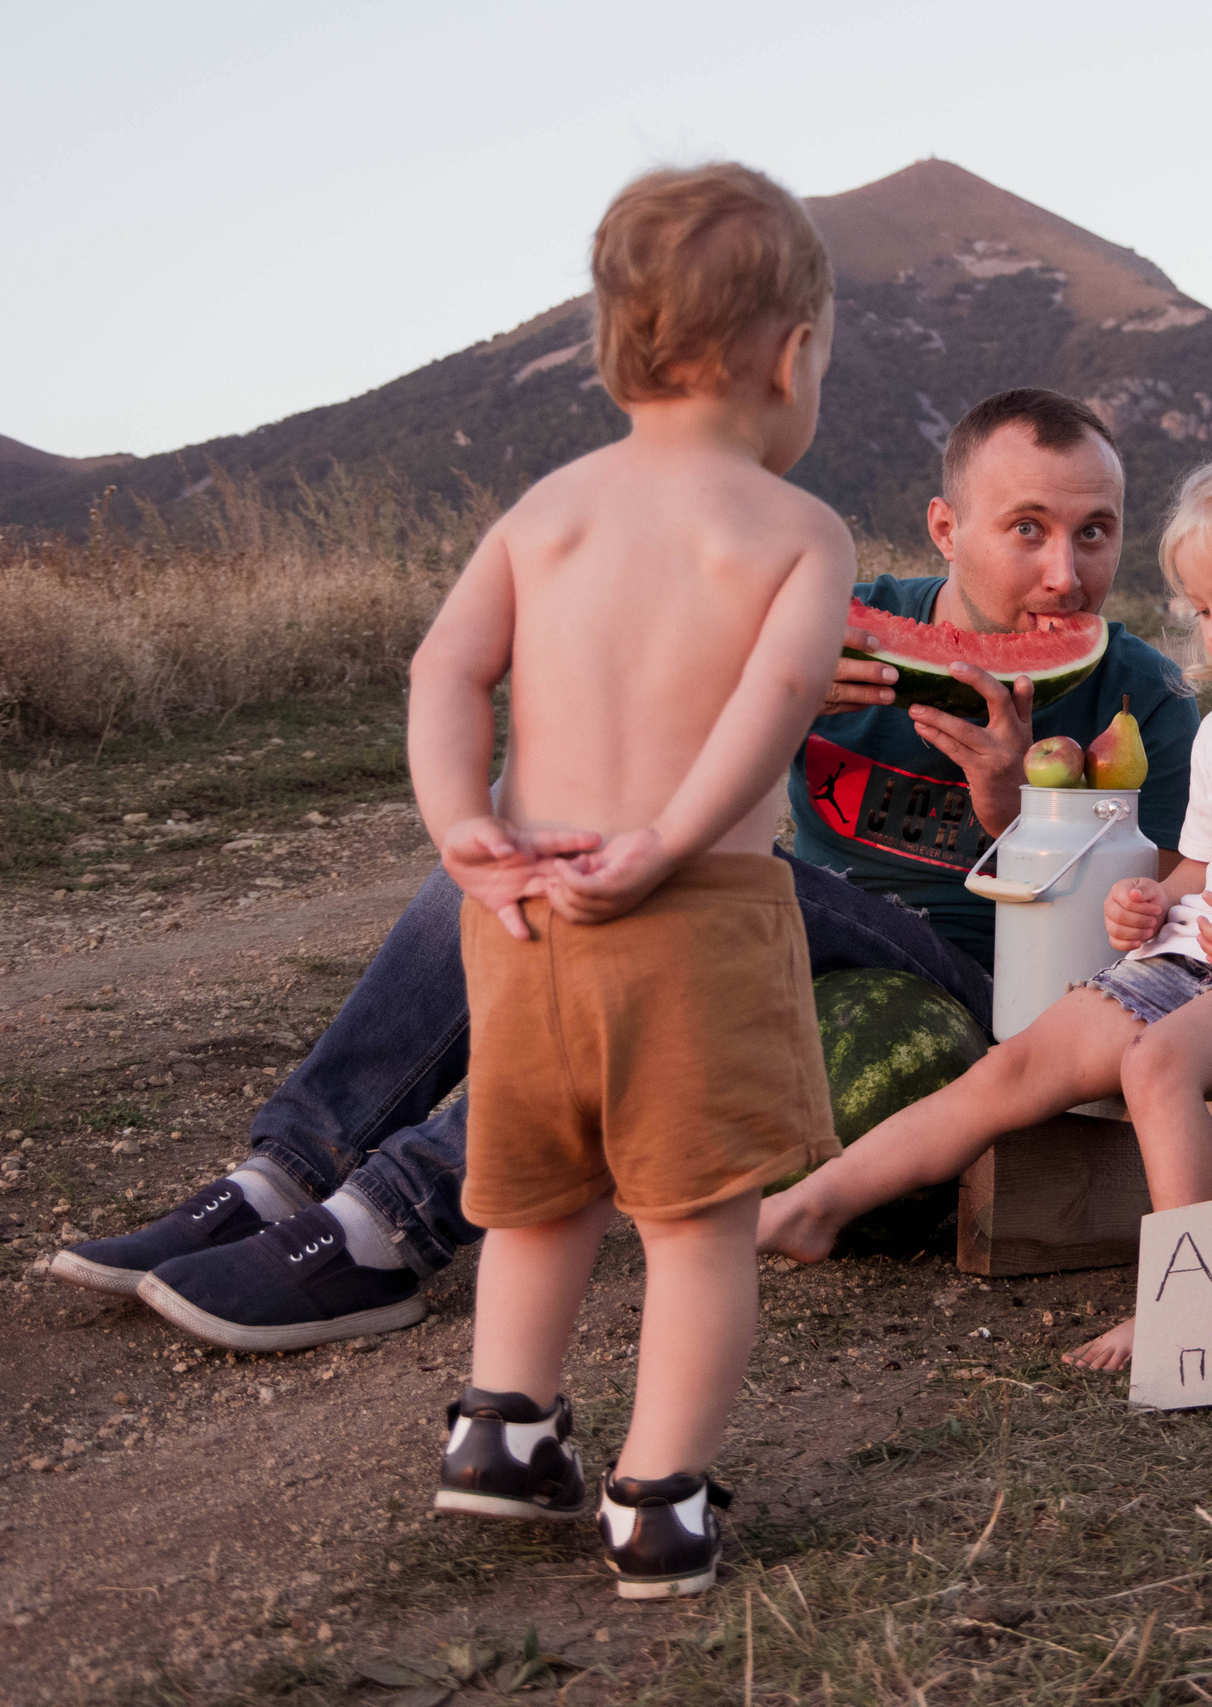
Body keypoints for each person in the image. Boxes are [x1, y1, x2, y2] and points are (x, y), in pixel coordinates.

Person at [48, 387, 1198, 1351]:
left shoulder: (1140, 691)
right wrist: (739, 694)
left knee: (697, 894)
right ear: (946, 529)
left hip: (975, 977)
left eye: (1094, 532)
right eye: (1028, 529)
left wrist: (1011, 805)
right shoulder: (843, 621)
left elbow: (1149, 926)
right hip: (809, 927)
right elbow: (647, 758)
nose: (1065, 571)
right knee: (525, 838)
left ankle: (388, 1226)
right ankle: (288, 1172)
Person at [760, 442, 1212, 1372]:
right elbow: (1201, 868)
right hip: (1189, 962)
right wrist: (1151, 897)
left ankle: (1199, 1301)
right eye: (1203, 610)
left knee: (1159, 1061)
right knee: (1013, 1070)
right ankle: (819, 1203)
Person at [410, 163, 850, 1599]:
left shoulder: (549, 507)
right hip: (687, 912)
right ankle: (659, 1501)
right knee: (696, 1218)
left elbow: (445, 668)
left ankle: (502, 1427)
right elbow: (775, 703)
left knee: (534, 1194)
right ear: (791, 357)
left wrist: (460, 824)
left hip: (523, 910)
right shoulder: (796, 529)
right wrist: (663, 838)